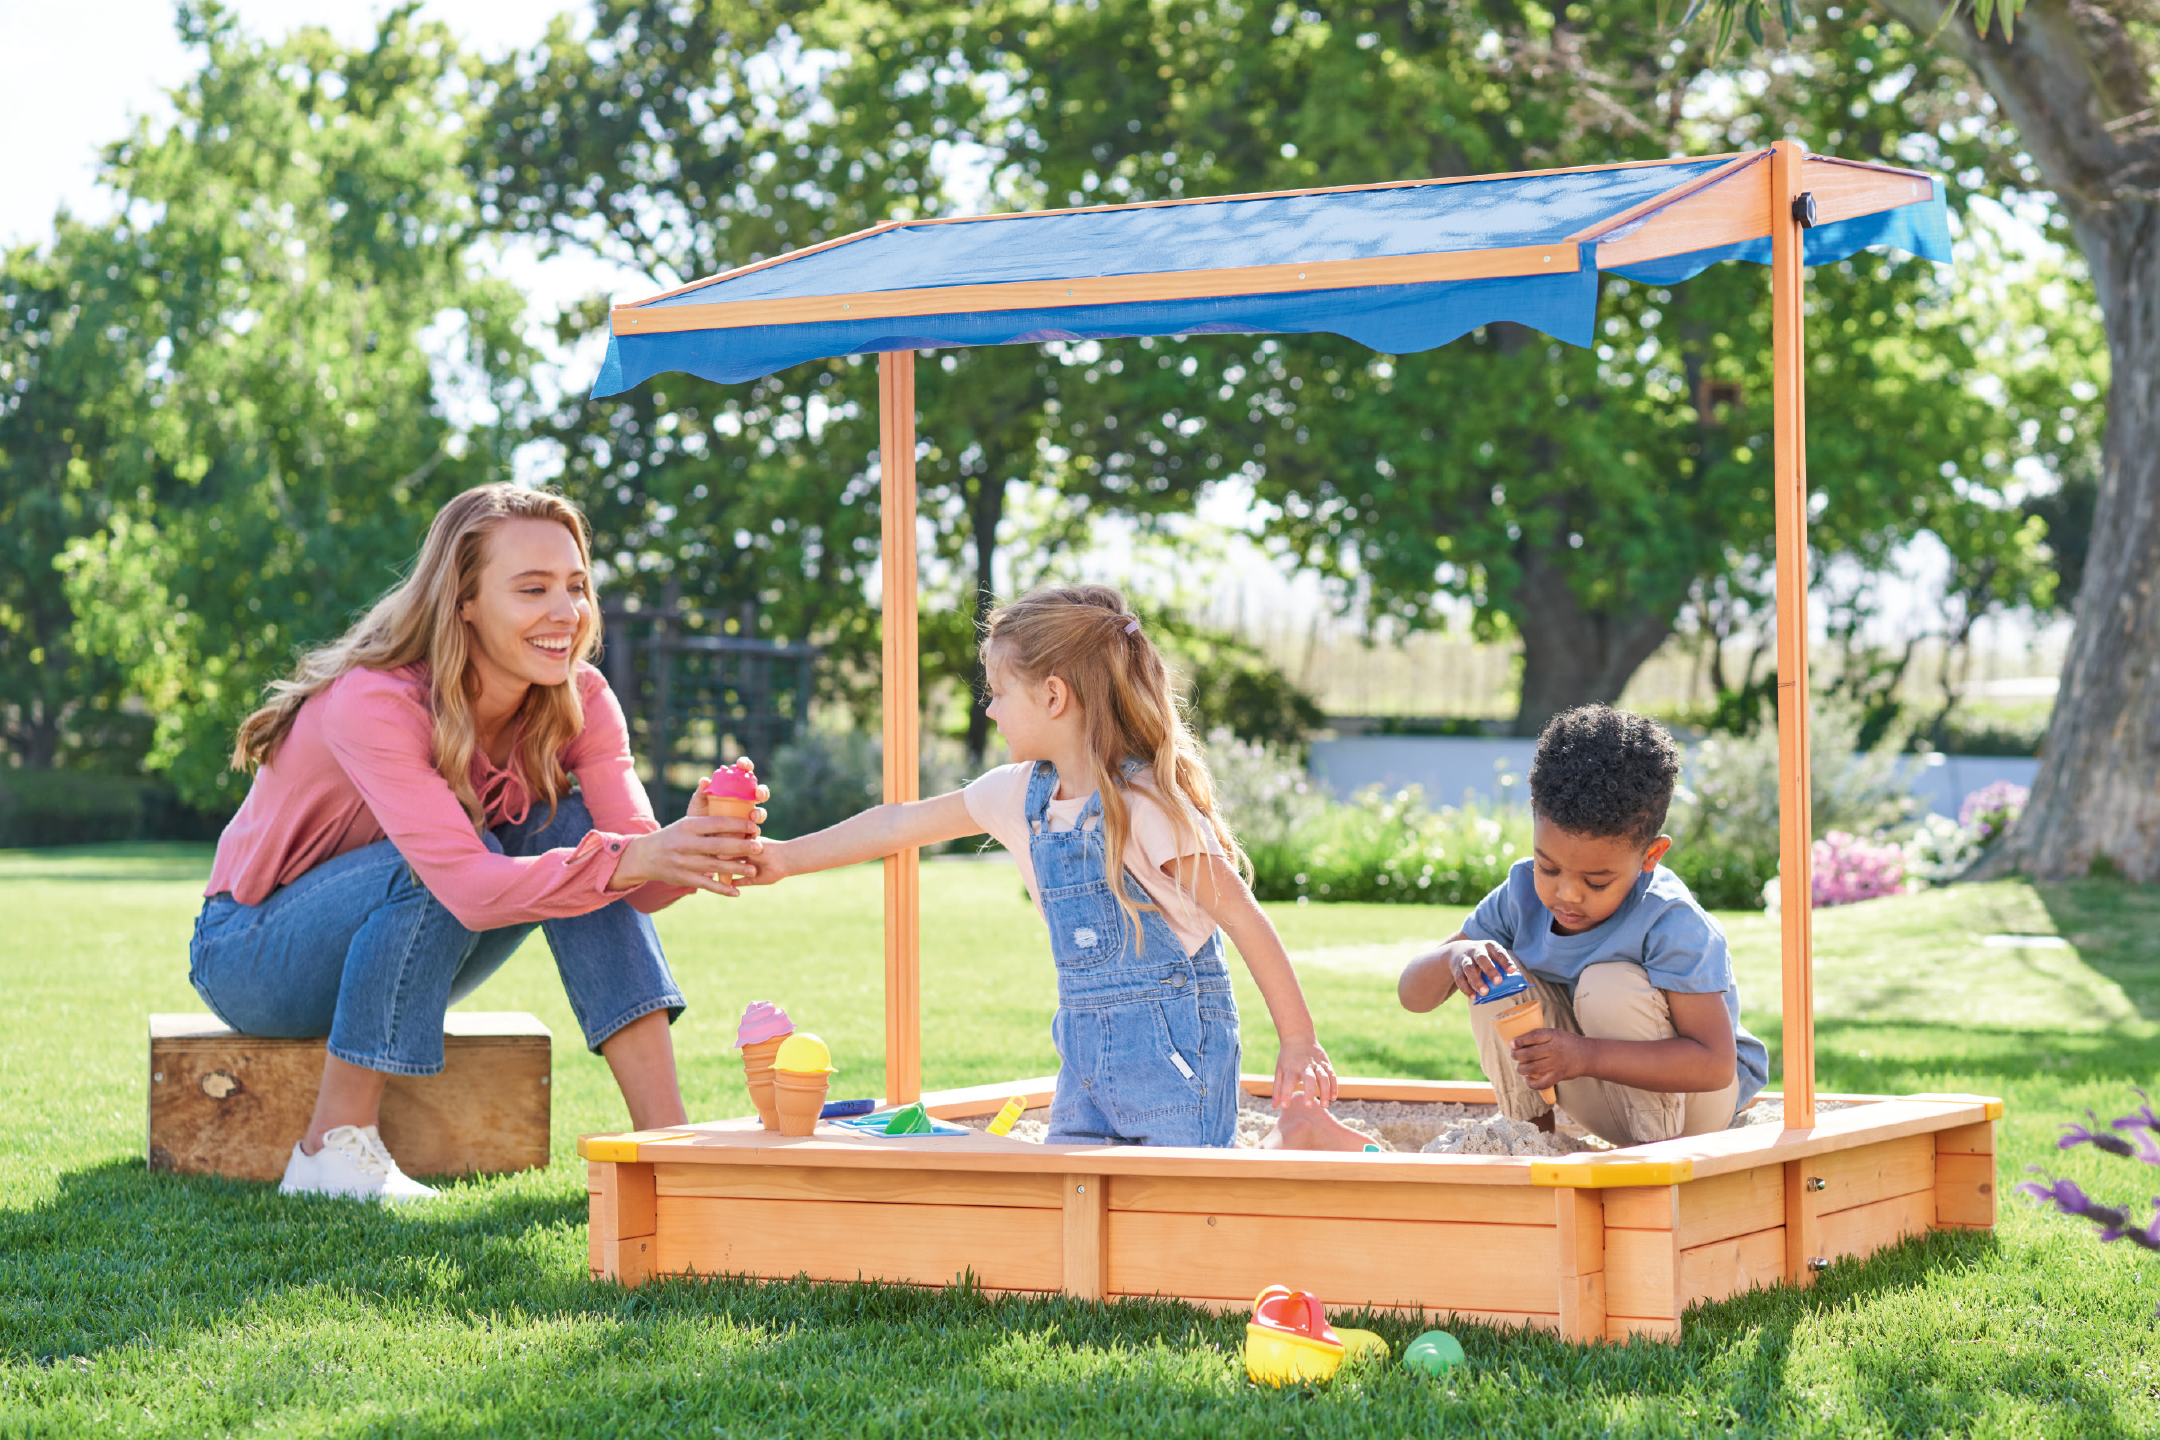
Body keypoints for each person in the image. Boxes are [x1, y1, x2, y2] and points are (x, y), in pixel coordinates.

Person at [190, 484, 765, 1202]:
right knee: (452, 862)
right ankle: (332, 1150)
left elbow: (639, 881)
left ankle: (669, 1146)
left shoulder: (581, 700)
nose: (567, 612)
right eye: (533, 589)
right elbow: (460, 883)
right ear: (464, 600)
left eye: (576, 586)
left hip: (411, 944)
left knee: (580, 835)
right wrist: (629, 858)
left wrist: (694, 840)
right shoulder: (376, 699)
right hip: (254, 955)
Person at [742, 583, 1339, 1147]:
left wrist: (1298, 1040)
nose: (990, 711)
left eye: (998, 693)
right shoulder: (1018, 795)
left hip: (1178, 1062)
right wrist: (784, 858)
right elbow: (898, 823)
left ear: (1054, 696)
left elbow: (1242, 916)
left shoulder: (1147, 807)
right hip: (1085, 1066)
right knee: (1071, 1193)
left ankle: (1303, 1136)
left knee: (1182, 1201)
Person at [1394, 705, 1767, 1147]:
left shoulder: (1670, 921)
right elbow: (1413, 997)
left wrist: (1585, 1055)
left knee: (1607, 984)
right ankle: (1531, 1140)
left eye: (1596, 881)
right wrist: (1454, 957)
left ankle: (1650, 1160)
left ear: (1651, 856)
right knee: (1490, 970)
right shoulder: (1520, 897)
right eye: (1547, 867)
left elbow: (1713, 1065)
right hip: (1600, 1096)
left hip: (1695, 1109)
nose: (1566, 895)